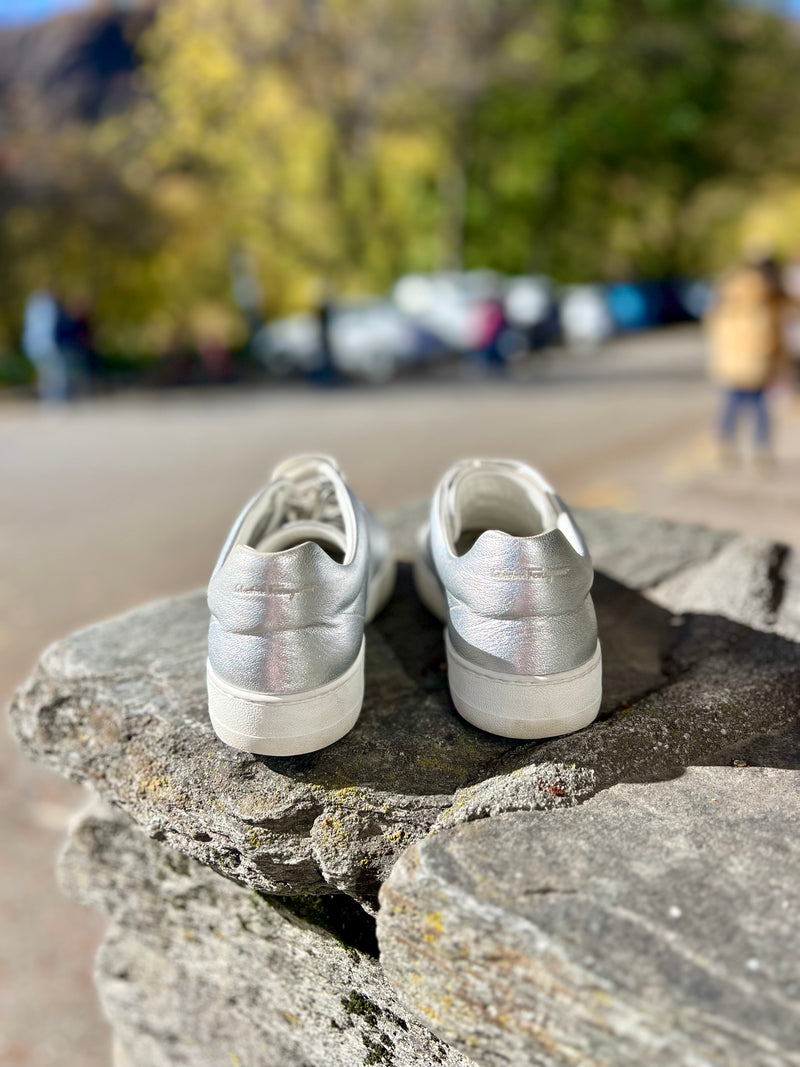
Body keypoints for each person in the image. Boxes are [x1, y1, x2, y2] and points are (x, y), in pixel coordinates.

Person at [705, 260, 784, 470]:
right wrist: (774, 363)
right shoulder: (762, 311)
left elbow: (716, 337)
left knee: (731, 407)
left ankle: (724, 445)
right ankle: (760, 450)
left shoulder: (724, 310)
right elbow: (770, 341)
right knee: (759, 409)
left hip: (732, 368)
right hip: (756, 368)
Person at [21, 289, 70, 403]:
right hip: (44, 345)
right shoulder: (46, 307)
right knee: (52, 374)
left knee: (47, 373)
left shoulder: (34, 307)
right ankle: (52, 400)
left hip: (35, 345)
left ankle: (50, 399)